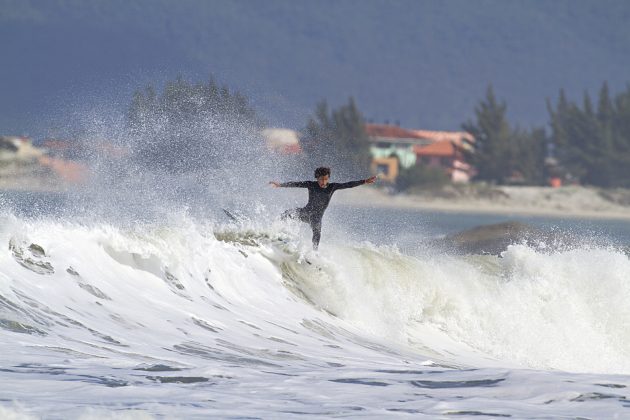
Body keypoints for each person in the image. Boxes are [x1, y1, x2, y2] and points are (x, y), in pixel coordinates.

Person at [270, 167, 377, 250]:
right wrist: (280, 185)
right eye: (321, 179)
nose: (324, 182)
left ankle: (314, 254)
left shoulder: (332, 187)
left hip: (316, 217)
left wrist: (364, 181)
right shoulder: (311, 184)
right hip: (306, 212)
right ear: (317, 178)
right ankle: (274, 233)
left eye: (326, 179)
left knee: (317, 234)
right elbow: (296, 184)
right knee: (287, 214)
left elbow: (348, 184)